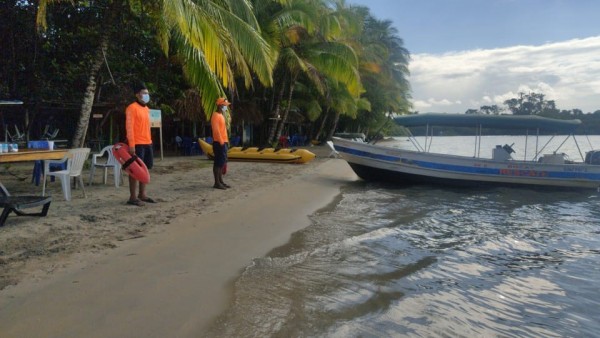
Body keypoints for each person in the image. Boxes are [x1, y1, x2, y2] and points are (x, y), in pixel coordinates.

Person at [125, 82, 156, 206]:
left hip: (147, 142)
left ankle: (142, 194)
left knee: (145, 169)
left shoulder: (147, 109)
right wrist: (131, 144)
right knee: (134, 171)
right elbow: (129, 127)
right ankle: (132, 197)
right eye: (144, 93)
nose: (146, 95)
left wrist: (150, 141)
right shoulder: (131, 108)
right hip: (137, 143)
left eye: (147, 93)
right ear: (137, 95)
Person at [211, 97, 231, 189]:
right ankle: (217, 183)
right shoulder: (215, 115)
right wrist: (221, 142)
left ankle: (220, 181)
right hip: (219, 142)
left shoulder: (221, 115)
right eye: (224, 106)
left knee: (222, 162)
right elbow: (216, 130)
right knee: (218, 163)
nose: (226, 107)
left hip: (223, 142)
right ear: (220, 105)